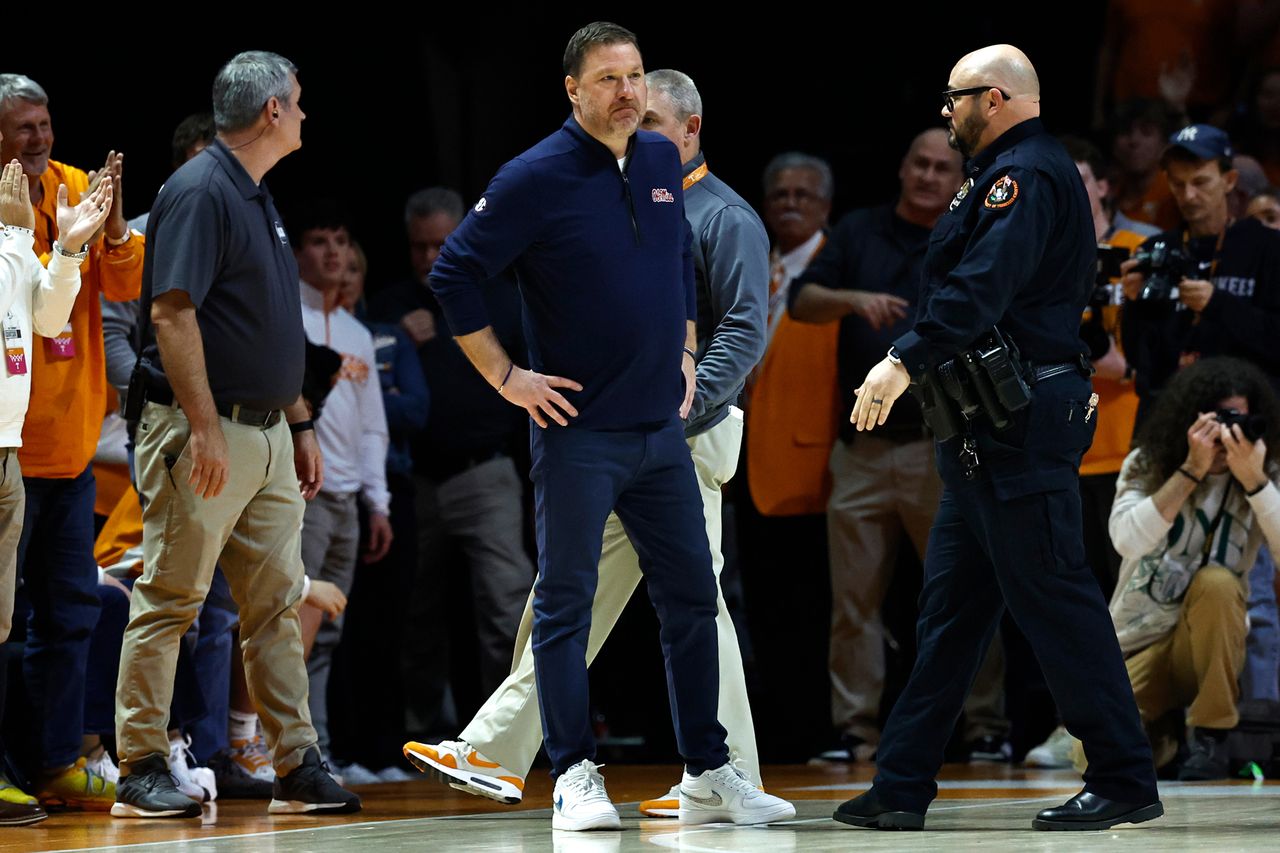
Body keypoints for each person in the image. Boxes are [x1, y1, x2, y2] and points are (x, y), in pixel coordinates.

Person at [422, 22, 794, 832]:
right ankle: (572, 775)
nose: (627, 92)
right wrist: (506, 377)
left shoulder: (662, 161)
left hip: (663, 432)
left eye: (634, 77)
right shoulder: (533, 176)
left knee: (695, 599)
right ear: (573, 90)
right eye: (609, 79)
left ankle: (709, 770)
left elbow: (672, 268)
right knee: (566, 602)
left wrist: (689, 346)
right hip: (579, 432)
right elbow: (452, 273)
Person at [833, 44, 1161, 832]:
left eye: (955, 100)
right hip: (981, 428)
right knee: (948, 615)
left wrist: (901, 360)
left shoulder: (1030, 174)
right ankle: (903, 782)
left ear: (997, 97)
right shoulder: (998, 176)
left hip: (1020, 423)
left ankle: (1122, 775)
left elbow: (982, 288)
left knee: (1057, 600)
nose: (946, 113)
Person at [112, 50, 359, 819]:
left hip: (268, 433)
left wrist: (302, 420)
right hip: (205, 430)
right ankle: (142, 763)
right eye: (299, 100)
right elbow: (172, 313)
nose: (305, 113)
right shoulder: (199, 190)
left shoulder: (254, 193)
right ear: (271, 113)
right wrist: (206, 425)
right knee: (171, 599)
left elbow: (260, 329)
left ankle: (295, 760)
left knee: (277, 602)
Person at [790, 129, 1011, 764]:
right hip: (860, 448)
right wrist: (853, 299)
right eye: (919, 162)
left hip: (941, 445)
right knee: (852, 602)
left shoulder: (975, 229)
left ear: (959, 178)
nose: (928, 175)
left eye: (943, 167)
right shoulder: (858, 231)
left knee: (964, 590)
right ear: (902, 167)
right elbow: (802, 302)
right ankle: (854, 730)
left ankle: (985, 726)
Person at [0, 72, 142, 809]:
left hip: (72, 449)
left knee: (68, 615)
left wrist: (112, 231)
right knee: (1, 620)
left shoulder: (78, 184)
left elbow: (123, 290)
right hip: (7, 448)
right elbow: (31, 314)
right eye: (24, 127)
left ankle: (54, 761)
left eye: (45, 124)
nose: (40, 139)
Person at [367, 187, 531, 741]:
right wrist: (391, 341)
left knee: (507, 608)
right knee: (414, 614)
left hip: (486, 472)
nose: (432, 257)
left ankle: (509, 737)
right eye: (420, 247)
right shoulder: (388, 307)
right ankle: (419, 735)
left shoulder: (502, 299)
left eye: (443, 243)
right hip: (414, 479)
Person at [0, 157, 111, 825]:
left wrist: (67, 247)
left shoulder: (11, 238)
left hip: (9, 452)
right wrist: (18, 239)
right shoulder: (10, 236)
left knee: (4, 623)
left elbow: (43, 320)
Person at [1106, 357, 1280, 780]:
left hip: (1208, 648)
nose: (1226, 434)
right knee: (1094, 755)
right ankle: (1166, 733)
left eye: (1237, 420)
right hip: (1139, 644)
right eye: (1216, 421)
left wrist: (1256, 484)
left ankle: (1209, 735)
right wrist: (1190, 471)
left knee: (1219, 583)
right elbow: (1126, 540)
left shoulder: (1263, 473)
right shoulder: (1148, 463)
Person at [291, 203, 391, 765]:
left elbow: (373, 426)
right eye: (319, 240)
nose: (333, 252)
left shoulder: (356, 332)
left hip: (350, 501)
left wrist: (377, 503)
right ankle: (281, 748)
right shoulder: (289, 320)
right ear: (298, 252)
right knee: (292, 625)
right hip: (303, 493)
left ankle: (317, 749)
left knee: (326, 633)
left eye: (341, 239)